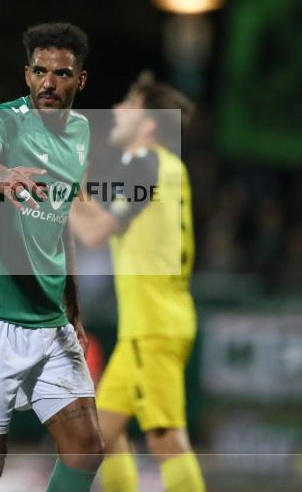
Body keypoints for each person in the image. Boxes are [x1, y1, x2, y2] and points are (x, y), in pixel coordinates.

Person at [0, 22, 104, 492]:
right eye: (39, 71)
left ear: (80, 80)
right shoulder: (3, 118)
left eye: (62, 73)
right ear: (26, 75)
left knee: (86, 446)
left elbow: (62, 219)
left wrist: (73, 306)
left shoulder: (82, 133)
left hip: (48, 319)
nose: (49, 83)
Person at [68, 71, 205, 492]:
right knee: (101, 437)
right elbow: (99, 220)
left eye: (127, 104)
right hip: (149, 326)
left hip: (152, 326)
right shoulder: (163, 166)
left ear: (148, 123)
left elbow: (92, 233)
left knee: (166, 438)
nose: (116, 110)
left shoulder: (143, 162)